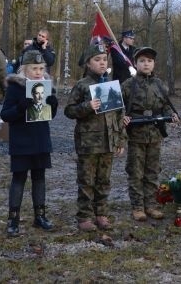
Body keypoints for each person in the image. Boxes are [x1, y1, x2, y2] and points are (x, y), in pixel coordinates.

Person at [65, 43, 126, 232]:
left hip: (108, 142)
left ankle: (101, 213)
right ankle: (84, 216)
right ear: (88, 63)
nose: (101, 63)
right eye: (97, 60)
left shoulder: (110, 85)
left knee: (104, 180)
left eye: (104, 59)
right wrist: (87, 106)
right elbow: (69, 110)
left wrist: (119, 139)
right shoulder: (82, 85)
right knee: (86, 181)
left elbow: (119, 115)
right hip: (88, 144)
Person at [0, 49, 59, 235]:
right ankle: (13, 220)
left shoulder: (46, 85)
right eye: (34, 68)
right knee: (19, 179)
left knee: (39, 178)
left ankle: (40, 216)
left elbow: (49, 116)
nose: (39, 72)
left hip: (41, 140)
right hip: (21, 141)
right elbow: (5, 115)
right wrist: (20, 107)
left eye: (41, 68)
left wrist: (53, 104)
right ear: (25, 69)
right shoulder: (15, 88)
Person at [121, 46, 179, 221]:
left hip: (155, 134)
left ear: (154, 64)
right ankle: (138, 207)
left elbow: (166, 105)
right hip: (136, 134)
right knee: (136, 172)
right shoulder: (128, 85)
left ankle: (151, 205)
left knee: (152, 171)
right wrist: (122, 118)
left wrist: (172, 115)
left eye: (149, 61)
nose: (146, 64)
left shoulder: (159, 85)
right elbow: (116, 107)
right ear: (136, 63)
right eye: (142, 61)